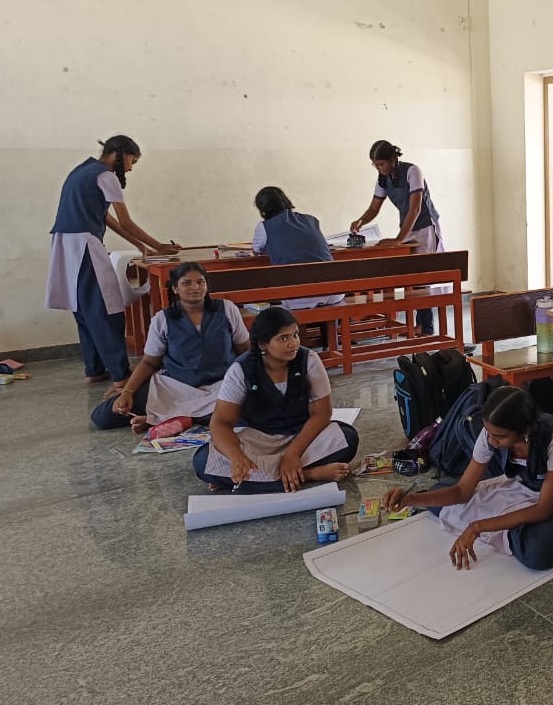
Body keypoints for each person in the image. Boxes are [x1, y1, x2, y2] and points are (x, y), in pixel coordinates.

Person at [383, 386, 553, 571]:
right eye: (489, 433)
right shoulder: (491, 432)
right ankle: (512, 530)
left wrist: (478, 527)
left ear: (524, 431)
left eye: (500, 437)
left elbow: (543, 509)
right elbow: (462, 491)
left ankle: (519, 530)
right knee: (437, 495)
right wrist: (411, 499)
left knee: (536, 554)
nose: (491, 441)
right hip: (521, 485)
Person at [46, 136, 178, 383]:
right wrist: (159, 245)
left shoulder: (81, 171)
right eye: (132, 161)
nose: (130, 168)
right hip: (85, 244)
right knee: (106, 309)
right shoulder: (106, 175)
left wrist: (141, 246)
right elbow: (126, 221)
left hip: (65, 245)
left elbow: (107, 218)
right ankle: (121, 375)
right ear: (121, 154)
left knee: (83, 308)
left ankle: (94, 369)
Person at [192, 307, 358, 493]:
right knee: (202, 461)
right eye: (283, 338)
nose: (293, 343)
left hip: (300, 438)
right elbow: (221, 423)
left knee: (347, 438)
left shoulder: (309, 360)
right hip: (256, 441)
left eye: (295, 335)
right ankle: (309, 474)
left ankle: (249, 481)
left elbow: (322, 413)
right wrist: (237, 457)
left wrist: (293, 453)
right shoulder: (241, 369)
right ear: (263, 345)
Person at [91, 262, 250, 432]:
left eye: (200, 282)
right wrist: (127, 392)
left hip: (221, 385)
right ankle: (173, 417)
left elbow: (246, 351)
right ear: (175, 288)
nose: (195, 287)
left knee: (250, 410)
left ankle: (165, 419)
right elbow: (149, 362)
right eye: (187, 283)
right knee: (102, 417)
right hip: (174, 389)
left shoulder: (227, 309)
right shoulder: (162, 319)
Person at [349, 140, 444, 334]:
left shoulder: (413, 171)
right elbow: (374, 207)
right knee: (412, 276)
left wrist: (399, 239)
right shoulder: (383, 179)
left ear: (393, 160)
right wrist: (360, 221)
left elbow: (415, 208)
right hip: (407, 228)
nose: (379, 168)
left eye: (381, 164)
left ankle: (426, 326)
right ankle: (422, 325)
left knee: (421, 277)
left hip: (424, 226)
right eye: (375, 165)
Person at [251, 186, 342, 309]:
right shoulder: (311, 220)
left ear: (263, 209)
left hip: (297, 295)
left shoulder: (264, 227)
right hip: (334, 291)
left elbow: (256, 251)